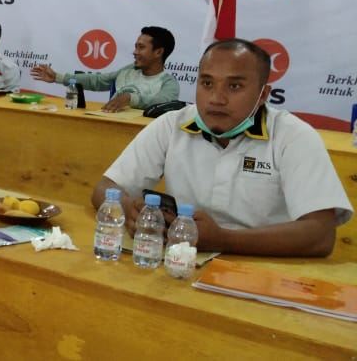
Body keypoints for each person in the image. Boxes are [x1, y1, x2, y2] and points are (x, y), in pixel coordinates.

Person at [92, 39, 353, 257]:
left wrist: (224, 240)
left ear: (263, 95)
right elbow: (104, 188)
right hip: (181, 261)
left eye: (234, 86)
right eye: (207, 84)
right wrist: (130, 209)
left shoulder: (293, 136)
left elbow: (320, 236)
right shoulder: (172, 124)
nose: (216, 99)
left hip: (266, 269)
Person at [30, 26, 179, 112]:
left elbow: (161, 103)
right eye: (135, 47)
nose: (135, 52)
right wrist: (58, 77)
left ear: (158, 52)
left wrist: (130, 98)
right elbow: (97, 81)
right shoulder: (128, 70)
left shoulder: (169, 83)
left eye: (141, 47)